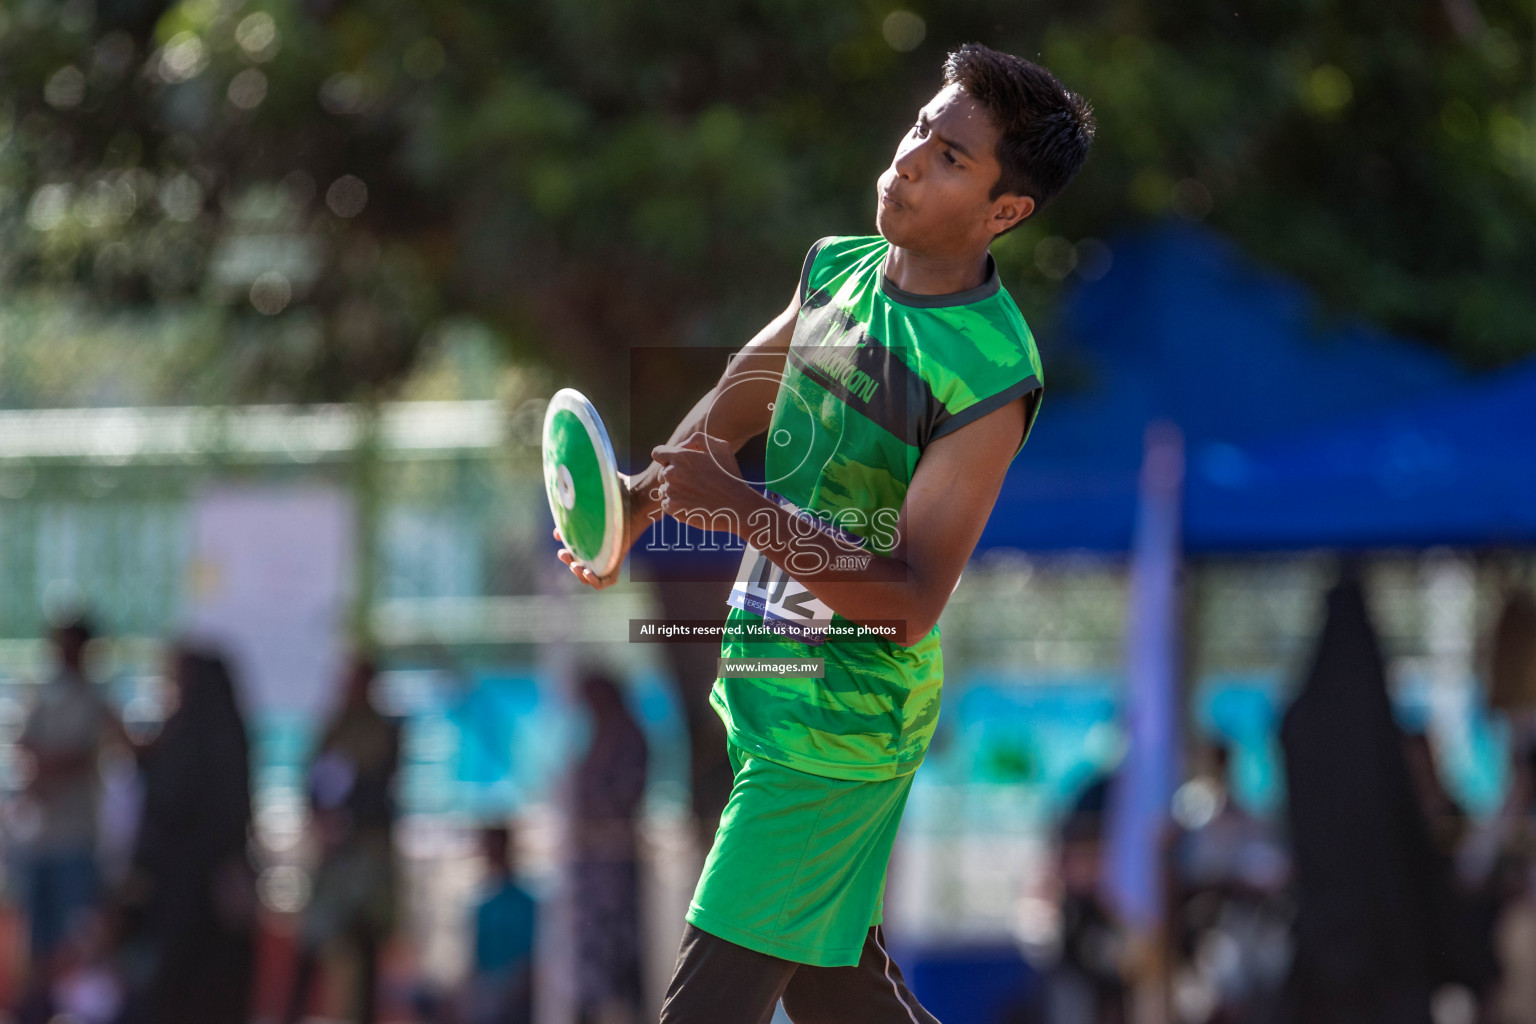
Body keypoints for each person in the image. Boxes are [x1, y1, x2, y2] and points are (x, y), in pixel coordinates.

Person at [554, 42, 1093, 1023]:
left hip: (839, 729)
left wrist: (745, 507)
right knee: (840, 999)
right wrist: (634, 503)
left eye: (952, 159)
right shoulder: (839, 269)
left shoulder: (989, 373)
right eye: (923, 129)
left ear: (1004, 212)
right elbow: (737, 402)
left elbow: (911, 598)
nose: (911, 159)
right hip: (765, 692)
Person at [117, 643, 256, 1024]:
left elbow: (170, 803)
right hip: (200, 883)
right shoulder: (229, 734)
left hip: (183, 885)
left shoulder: (189, 737)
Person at [283, 654, 402, 1024]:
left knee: (362, 946)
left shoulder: (384, 732)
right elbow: (313, 784)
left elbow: (378, 793)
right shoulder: (332, 730)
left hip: (366, 859)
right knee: (312, 947)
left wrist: (349, 820)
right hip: (333, 857)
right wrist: (324, 821)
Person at [17, 612, 125, 973]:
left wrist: (48, 766)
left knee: (75, 945)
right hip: (39, 839)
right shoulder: (43, 695)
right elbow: (26, 745)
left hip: (76, 841)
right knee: (39, 947)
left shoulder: (95, 700)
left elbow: (76, 758)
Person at [570, 670, 648, 1024]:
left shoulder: (629, 737)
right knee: (592, 944)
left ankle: (629, 1009)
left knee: (621, 944)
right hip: (593, 861)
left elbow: (624, 796)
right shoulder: (597, 736)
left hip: (615, 859)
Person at [462, 824, 537, 1024]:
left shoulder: (524, 902)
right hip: (491, 998)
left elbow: (530, 957)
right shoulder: (484, 904)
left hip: (516, 999)